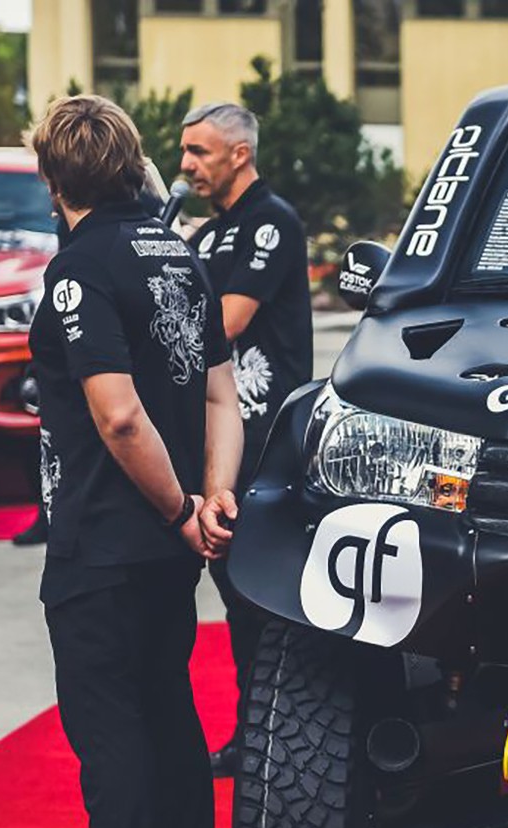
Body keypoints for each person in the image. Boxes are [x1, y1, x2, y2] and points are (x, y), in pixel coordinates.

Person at [0, 95, 243, 828]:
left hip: (106, 536)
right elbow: (223, 395)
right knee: (167, 715)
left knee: (110, 732)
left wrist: (183, 507)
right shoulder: (177, 254)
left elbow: (117, 414)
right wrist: (211, 500)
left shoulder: (79, 268)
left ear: (53, 177)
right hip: (167, 544)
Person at [179, 101, 313, 777]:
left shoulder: (270, 222)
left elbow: (224, 323)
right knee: (235, 594)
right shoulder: (209, 233)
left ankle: (277, 738)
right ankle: (254, 733)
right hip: (219, 432)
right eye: (183, 151)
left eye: (199, 152)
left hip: (265, 436)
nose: (185, 165)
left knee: (262, 594)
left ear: (239, 153)